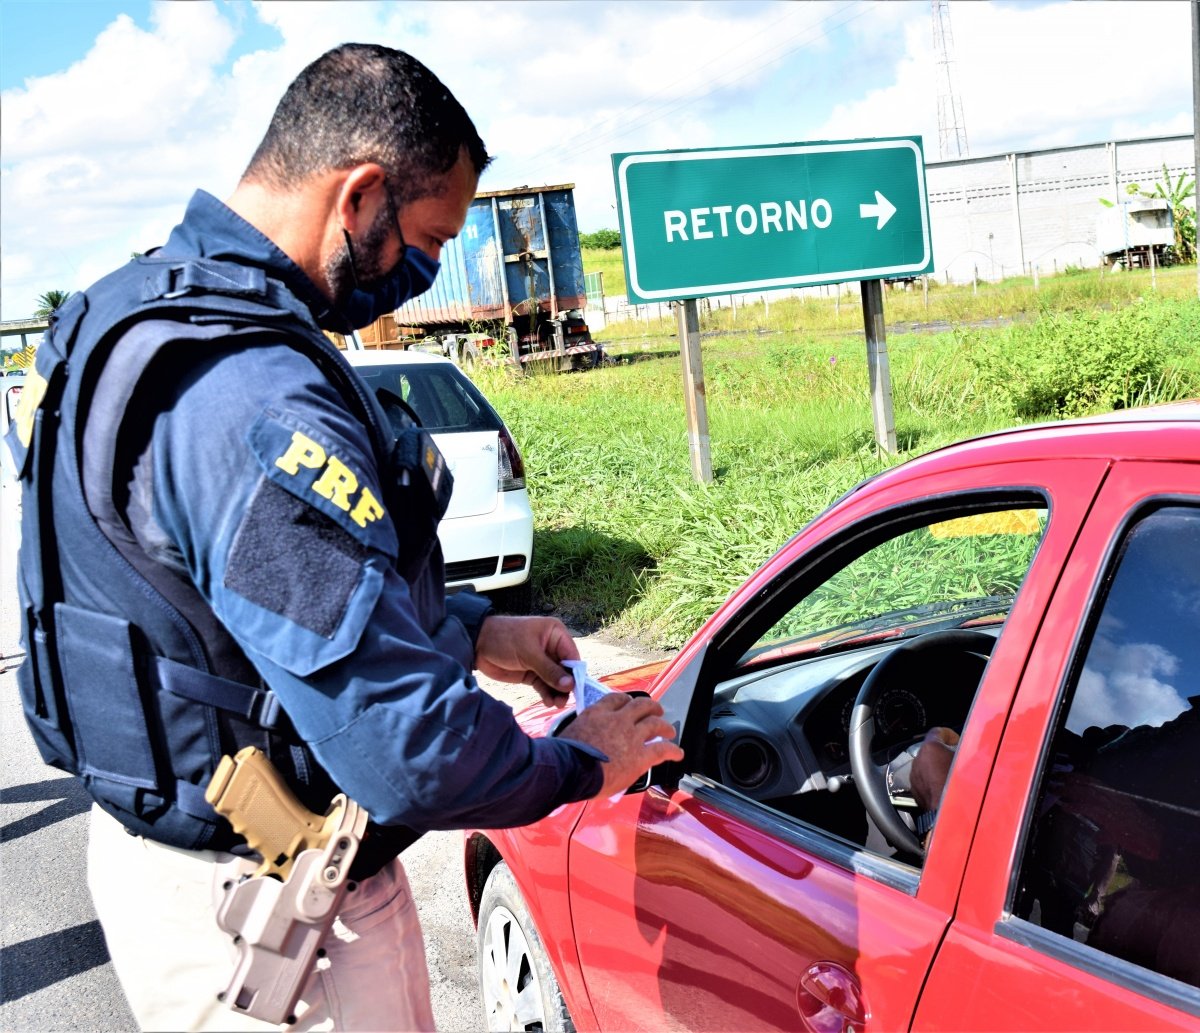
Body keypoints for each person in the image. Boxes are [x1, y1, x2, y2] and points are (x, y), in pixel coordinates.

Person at [6, 43, 683, 1031]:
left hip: (184, 860)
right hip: (274, 926)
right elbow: (404, 751)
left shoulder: (128, 310)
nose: (430, 270)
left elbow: (225, 610)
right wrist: (580, 760)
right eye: (430, 237)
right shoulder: (253, 394)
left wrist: (470, 630)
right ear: (359, 196)